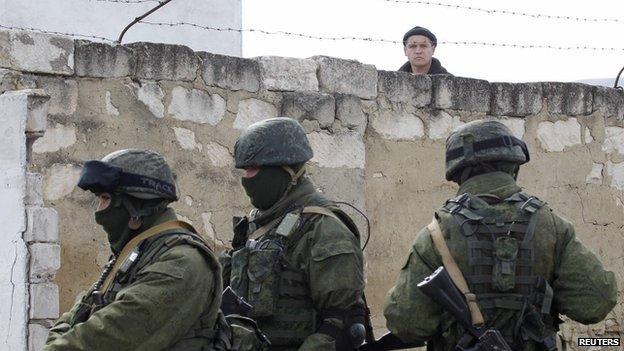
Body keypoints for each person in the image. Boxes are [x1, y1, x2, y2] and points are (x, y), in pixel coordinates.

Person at [383, 120, 617, 350]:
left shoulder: (435, 235)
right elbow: (596, 303)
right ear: (513, 165)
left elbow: (406, 323)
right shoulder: (553, 227)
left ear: (457, 173)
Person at [44, 149, 223, 351]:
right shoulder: (137, 253)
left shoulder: (182, 262)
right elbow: (77, 315)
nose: (99, 209)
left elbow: (111, 336)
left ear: (136, 209)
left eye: (105, 198)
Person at [220, 117, 368, 350]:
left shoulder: (324, 229)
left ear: (287, 171)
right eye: (244, 169)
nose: (246, 178)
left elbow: (343, 325)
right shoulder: (255, 224)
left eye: (254, 169)